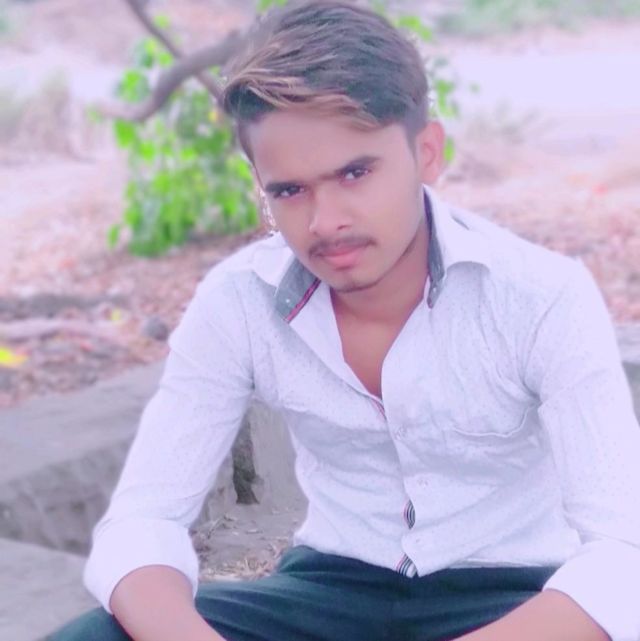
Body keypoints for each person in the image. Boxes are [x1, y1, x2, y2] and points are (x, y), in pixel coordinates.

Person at [49, 2, 640, 640]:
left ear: (427, 152)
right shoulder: (239, 301)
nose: (324, 221)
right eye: (289, 190)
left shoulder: (540, 296)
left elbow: (624, 552)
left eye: (355, 173)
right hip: (328, 594)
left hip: (514, 599)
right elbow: (141, 521)